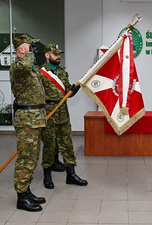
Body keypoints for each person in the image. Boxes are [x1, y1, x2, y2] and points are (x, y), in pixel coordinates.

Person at [39, 44, 87, 189]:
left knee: (67, 145)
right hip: (49, 113)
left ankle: (71, 175)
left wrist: (74, 90)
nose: (58, 56)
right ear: (47, 55)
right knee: (49, 146)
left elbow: (67, 92)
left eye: (59, 54)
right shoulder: (40, 73)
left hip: (63, 114)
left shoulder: (62, 72)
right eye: (55, 54)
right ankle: (47, 176)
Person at [10, 34, 47, 211]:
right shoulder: (18, 65)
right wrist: (30, 54)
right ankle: (21, 198)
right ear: (21, 49)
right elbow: (25, 63)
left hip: (35, 118)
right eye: (30, 46)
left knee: (33, 158)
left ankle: (27, 190)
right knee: (25, 158)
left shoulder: (30, 68)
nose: (33, 49)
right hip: (26, 119)